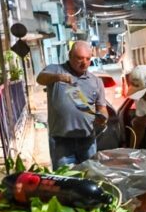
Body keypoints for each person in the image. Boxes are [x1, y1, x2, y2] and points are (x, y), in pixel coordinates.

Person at [37, 41, 108, 169]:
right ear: (70, 56)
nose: (84, 62)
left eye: (88, 59)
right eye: (80, 58)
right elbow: (40, 78)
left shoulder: (96, 81)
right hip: (61, 140)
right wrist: (57, 77)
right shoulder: (56, 69)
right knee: (66, 180)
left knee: (90, 177)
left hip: (87, 140)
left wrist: (103, 117)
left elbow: (102, 107)